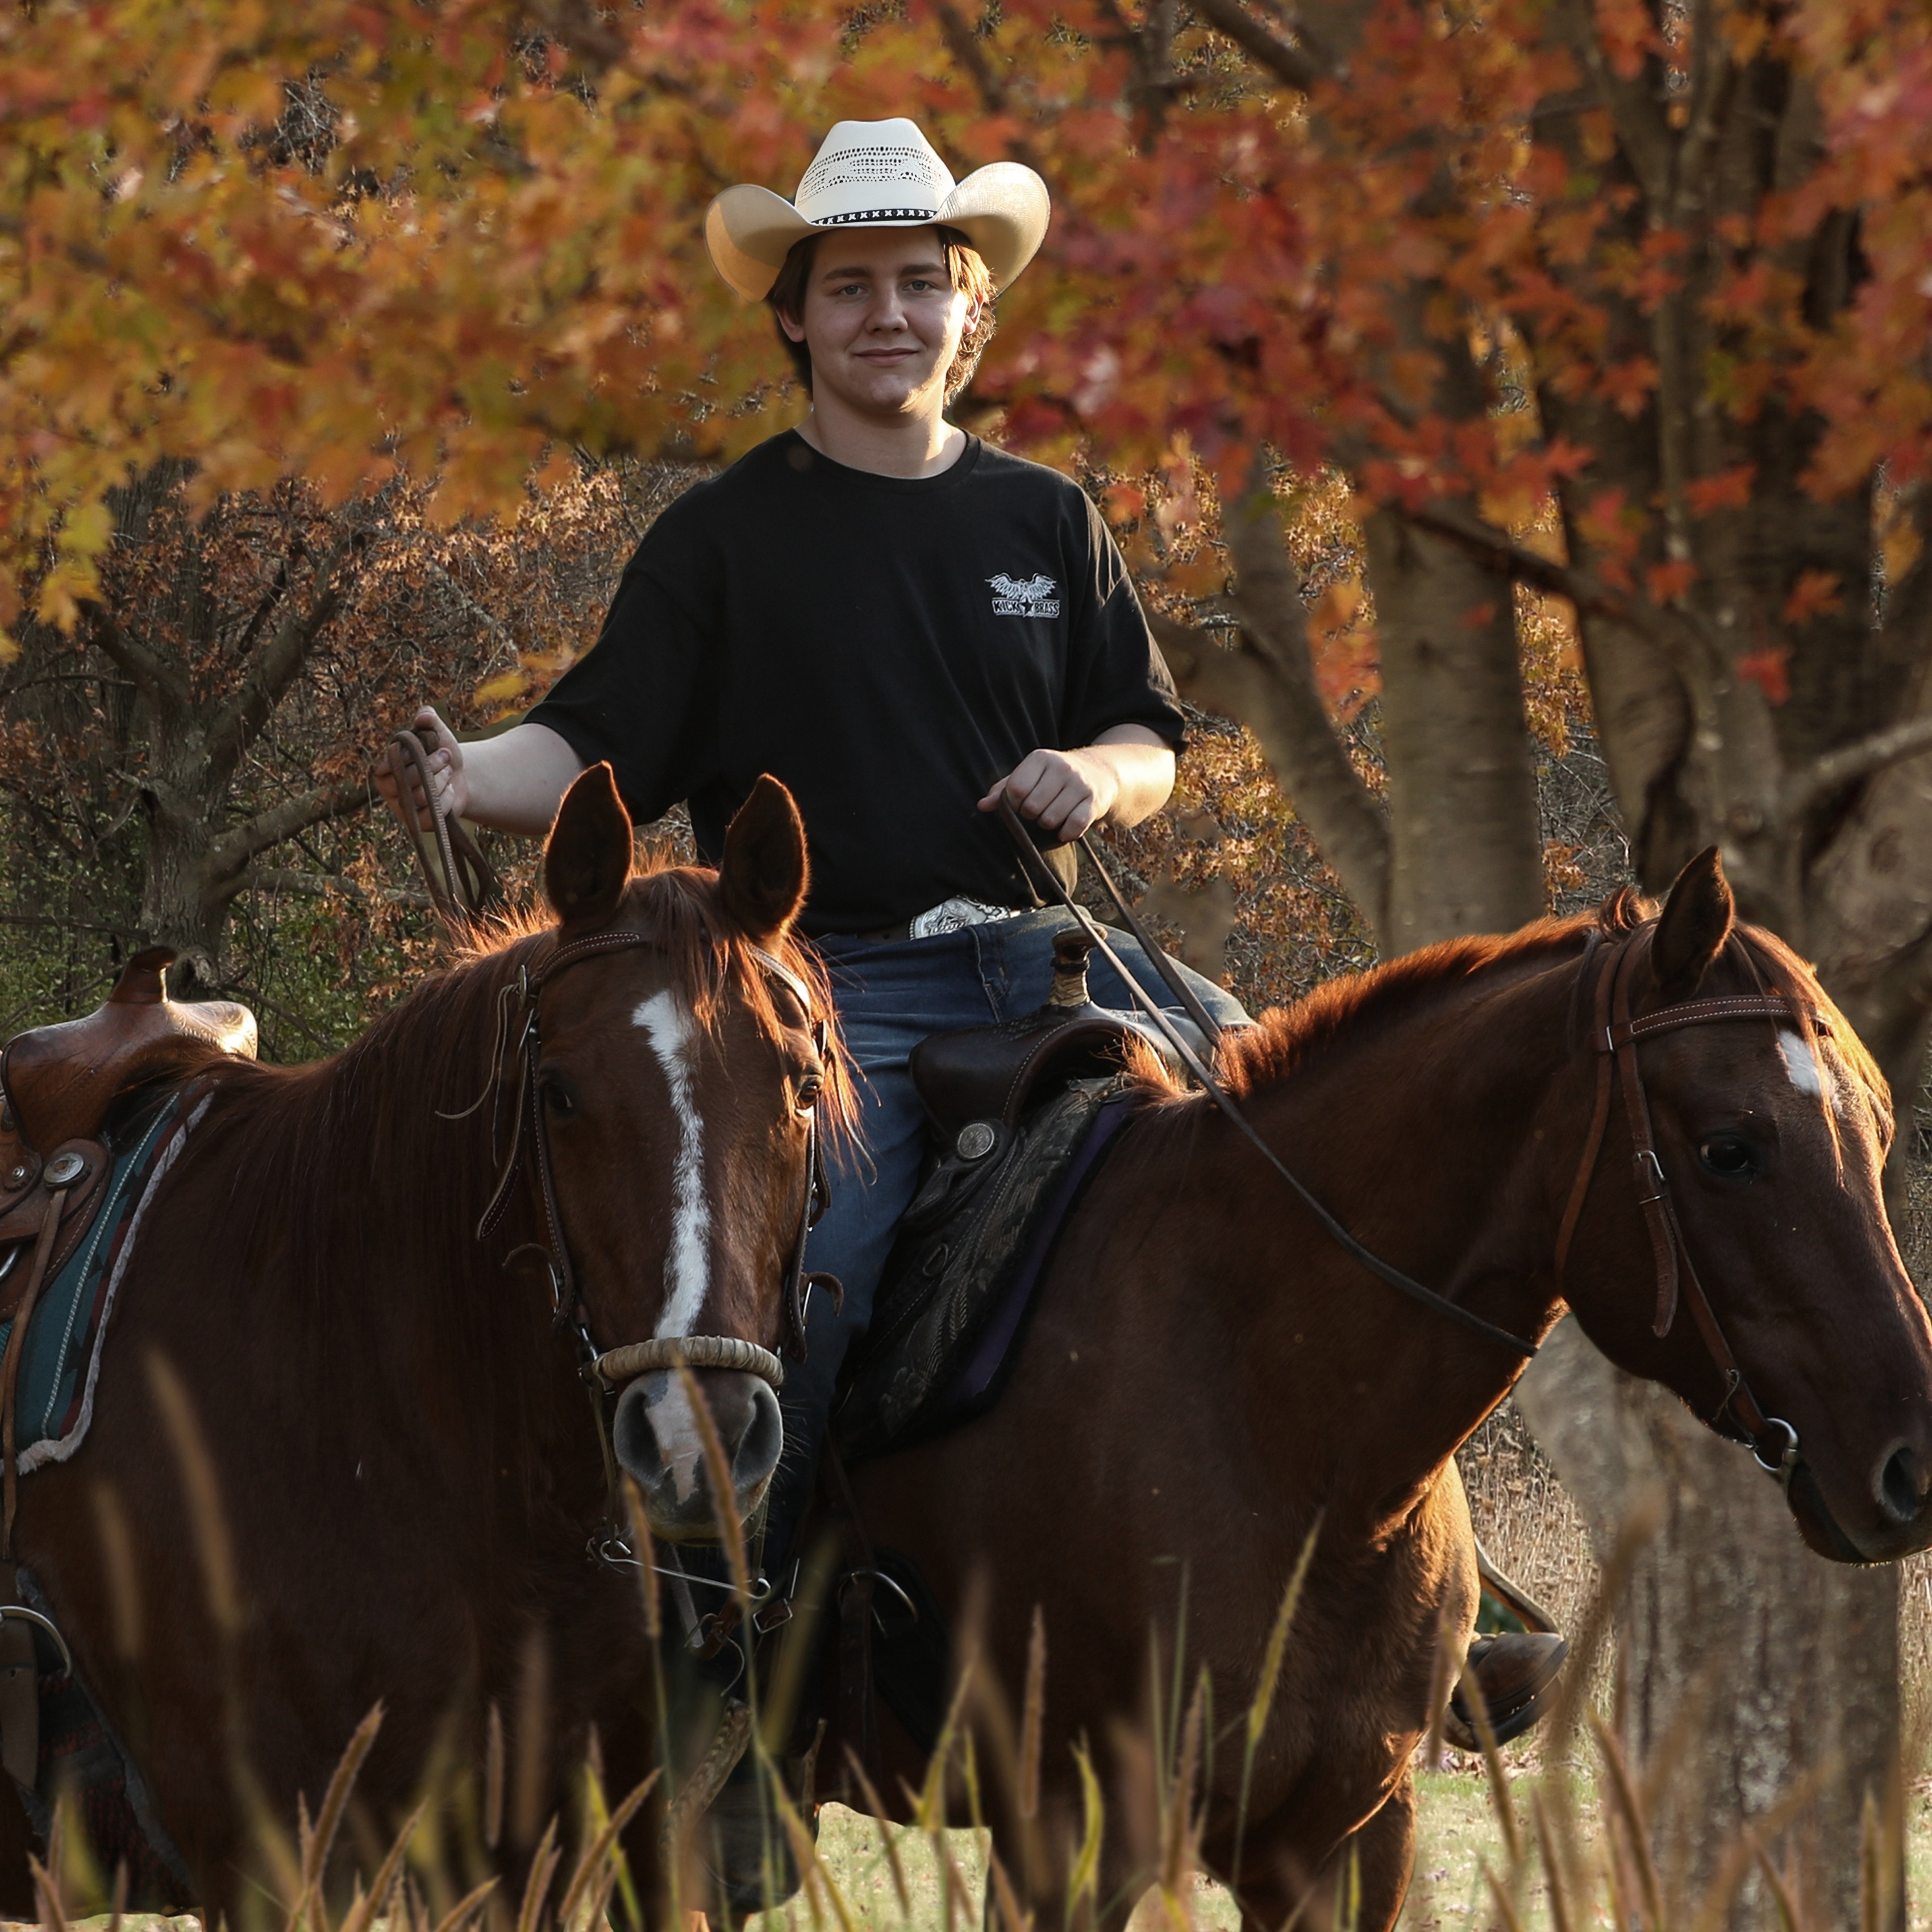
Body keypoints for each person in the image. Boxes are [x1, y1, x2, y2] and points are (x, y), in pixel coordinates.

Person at [376, 113, 1559, 1902]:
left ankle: (1422, 1625)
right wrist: (476, 778)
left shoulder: (1044, 517)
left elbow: (1153, 736)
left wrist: (1097, 774)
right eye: (849, 287)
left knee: (1306, 1176)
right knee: (806, 1289)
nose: (888, 315)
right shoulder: (725, 541)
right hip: (831, 988)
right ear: (794, 319)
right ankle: (729, 1696)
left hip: (1059, 961)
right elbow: (594, 739)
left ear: (969, 313)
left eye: (920, 284)